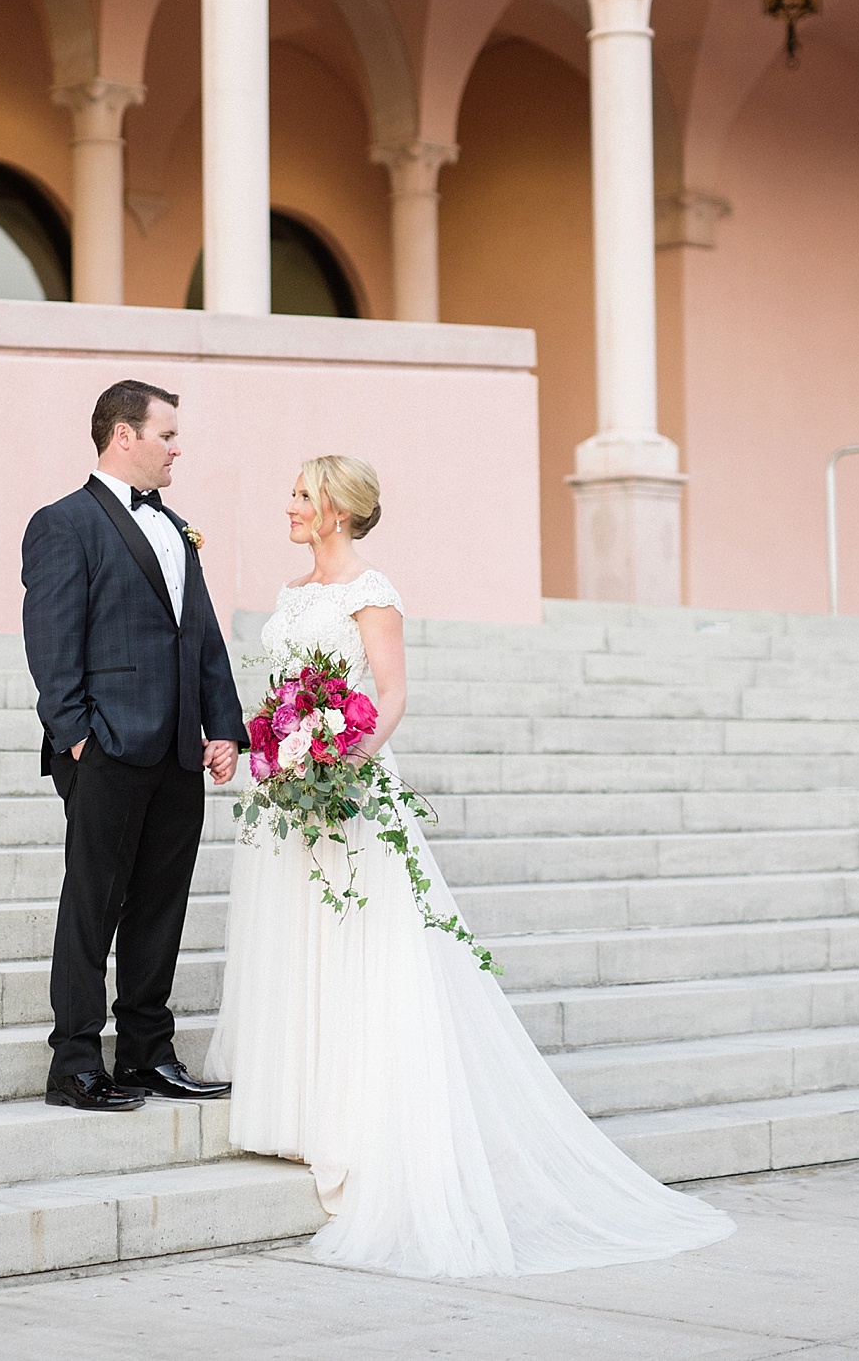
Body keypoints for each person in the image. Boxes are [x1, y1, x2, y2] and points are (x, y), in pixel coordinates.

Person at [206, 454, 735, 1275]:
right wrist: (260, 745)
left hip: (345, 789)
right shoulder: (292, 592)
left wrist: (341, 763)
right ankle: (297, 1110)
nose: (290, 505)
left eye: (303, 495)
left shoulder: (372, 593)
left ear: (337, 510)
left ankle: (354, 1116)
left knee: (356, 947)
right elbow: (283, 694)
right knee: (294, 939)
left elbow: (389, 694)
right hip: (284, 795)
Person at [21, 380, 246, 1112]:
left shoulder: (177, 529)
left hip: (178, 752)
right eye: (167, 435)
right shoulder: (64, 523)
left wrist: (223, 726)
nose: (178, 449)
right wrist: (79, 739)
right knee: (93, 906)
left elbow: (201, 636)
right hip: (107, 750)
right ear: (125, 435)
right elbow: (51, 643)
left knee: (160, 907)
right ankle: (74, 1063)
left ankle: (147, 1055)